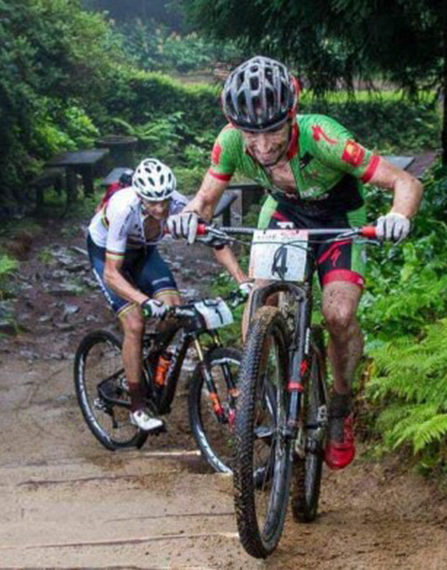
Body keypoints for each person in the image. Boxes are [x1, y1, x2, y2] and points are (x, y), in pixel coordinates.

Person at [167, 56, 424, 469]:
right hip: (285, 215)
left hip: (339, 219)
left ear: (292, 116)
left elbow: (406, 182)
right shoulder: (230, 141)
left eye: (272, 132)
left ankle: (340, 404)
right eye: (251, 134)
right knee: (257, 307)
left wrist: (397, 217)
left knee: (338, 315)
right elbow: (204, 202)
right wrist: (189, 217)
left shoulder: (323, 136)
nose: (263, 147)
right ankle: (260, 389)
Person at [87, 158, 247, 432]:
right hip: (107, 255)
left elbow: (215, 241)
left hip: (144, 253)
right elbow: (112, 273)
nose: (160, 208)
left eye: (163, 200)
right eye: (152, 202)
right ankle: (137, 407)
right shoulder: (124, 208)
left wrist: (243, 281)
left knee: (173, 309)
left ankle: (149, 359)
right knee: (135, 322)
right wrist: (144, 301)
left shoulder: (177, 204)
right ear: (139, 195)